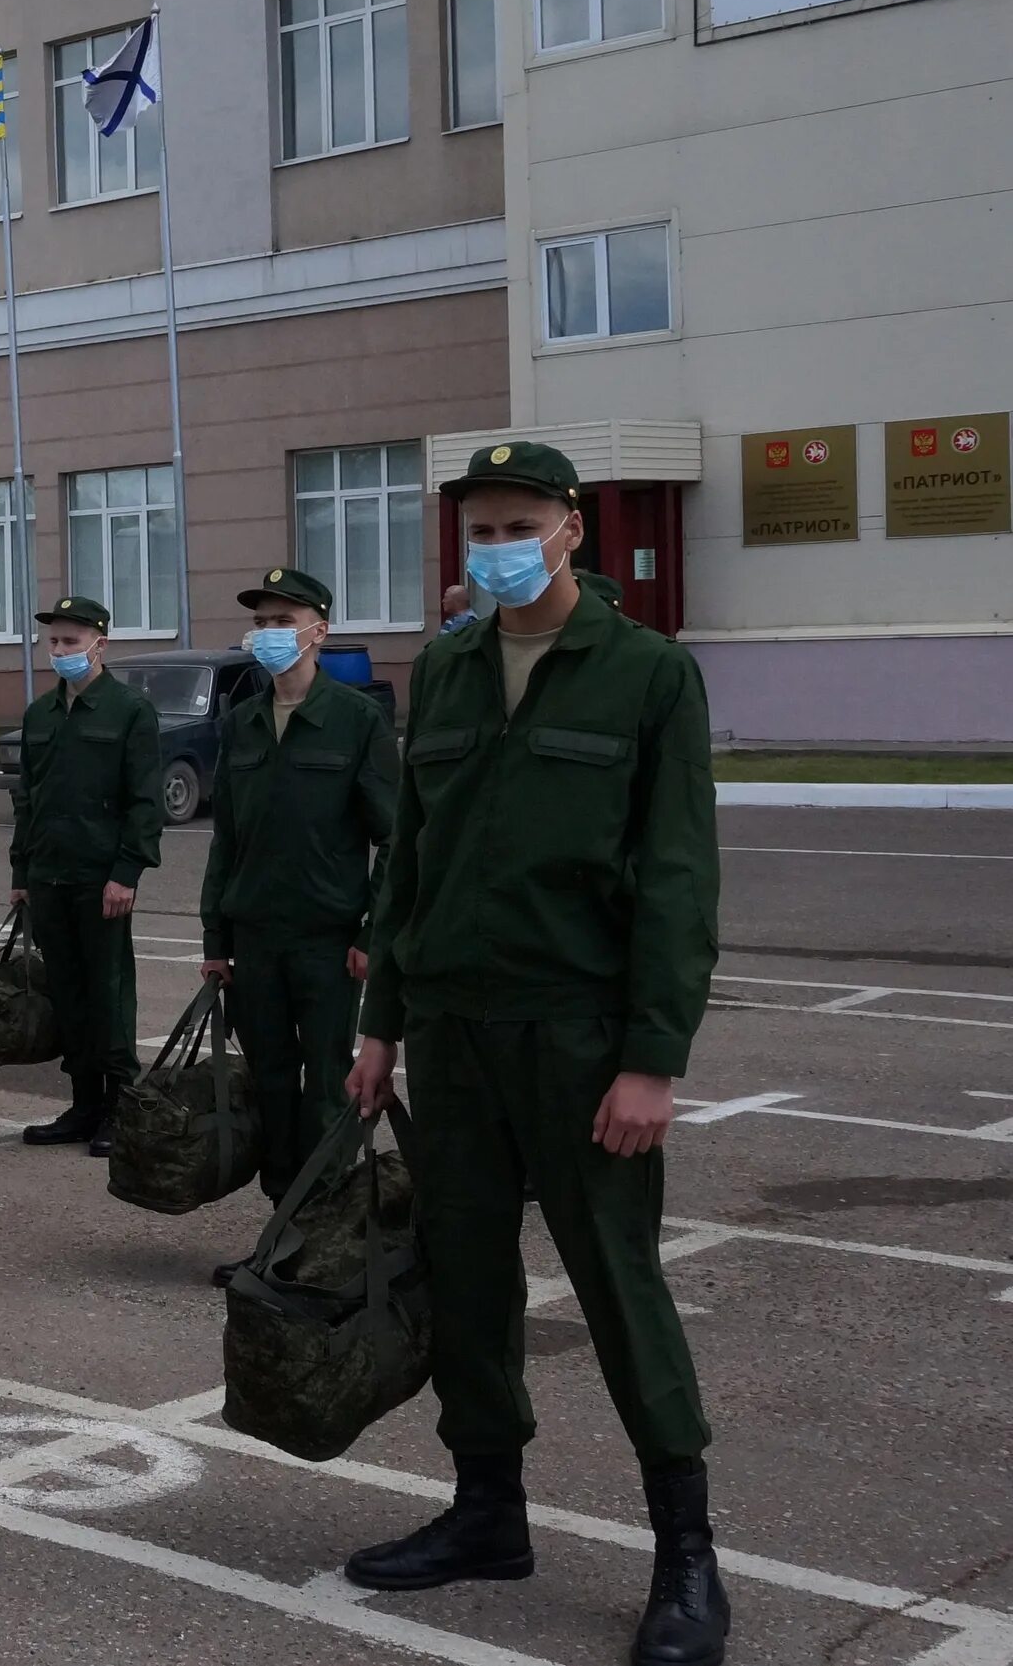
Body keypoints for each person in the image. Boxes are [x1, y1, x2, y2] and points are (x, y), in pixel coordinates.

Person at [343, 441, 729, 1663]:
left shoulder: (647, 674)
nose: (493, 544)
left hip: (578, 1037)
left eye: (517, 522)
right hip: (454, 1030)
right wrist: (381, 1020)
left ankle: (686, 1553)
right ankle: (486, 1511)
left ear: (570, 527)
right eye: (478, 525)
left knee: (617, 1283)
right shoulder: (449, 667)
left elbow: (676, 880)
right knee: (465, 1277)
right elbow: (413, 858)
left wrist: (651, 1060)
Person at [196, 569, 398, 1282]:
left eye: (286, 619)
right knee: (273, 1087)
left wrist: (374, 934)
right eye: (263, 621)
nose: (271, 633)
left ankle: (323, 1232)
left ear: (320, 630)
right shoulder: (242, 722)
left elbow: (396, 837)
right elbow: (227, 842)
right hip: (255, 941)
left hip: (327, 940)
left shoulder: (355, 720)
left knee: (326, 1089)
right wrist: (215, 942)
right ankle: (281, 1231)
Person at [10, 595, 161, 1157]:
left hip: (102, 880)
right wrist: (22, 870)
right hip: (50, 877)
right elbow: (29, 799)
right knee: (69, 995)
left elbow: (144, 803)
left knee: (108, 994)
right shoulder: (39, 715)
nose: (60, 651)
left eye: (71, 642)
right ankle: (84, 1104)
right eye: (53, 642)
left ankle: (122, 1107)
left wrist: (127, 873)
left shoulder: (129, 711)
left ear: (100, 644)